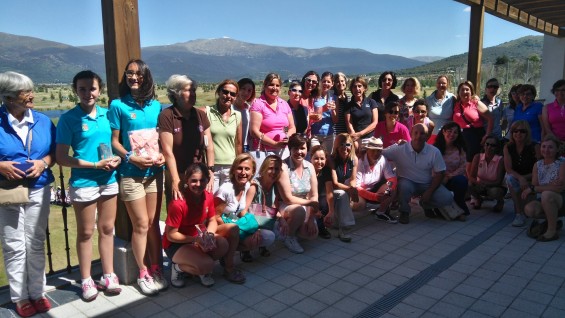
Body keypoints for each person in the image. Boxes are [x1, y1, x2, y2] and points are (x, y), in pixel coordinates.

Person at [55, 71, 122, 301]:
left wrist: (118, 159)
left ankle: (108, 275)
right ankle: (86, 279)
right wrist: (94, 165)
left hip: (108, 181)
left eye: (92, 88)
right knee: (85, 233)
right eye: (82, 89)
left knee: (106, 230)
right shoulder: (68, 119)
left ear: (99, 90)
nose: (87, 93)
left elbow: (115, 146)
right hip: (84, 183)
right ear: (76, 91)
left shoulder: (107, 115)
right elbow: (62, 157)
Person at [108, 59, 167, 294]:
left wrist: (162, 154)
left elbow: (159, 136)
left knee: (153, 225)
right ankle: (142, 271)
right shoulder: (118, 105)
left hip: (154, 172)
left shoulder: (155, 106)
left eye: (138, 74)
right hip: (131, 174)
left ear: (146, 77)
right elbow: (114, 142)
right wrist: (130, 157)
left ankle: (156, 267)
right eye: (130, 73)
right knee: (141, 224)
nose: (134, 77)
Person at [0, 71, 55, 317]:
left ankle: (37, 292)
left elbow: (55, 152)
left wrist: (43, 163)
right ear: (9, 97)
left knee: (35, 243)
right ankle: (20, 296)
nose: (32, 95)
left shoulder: (43, 121)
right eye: (26, 92)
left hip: (39, 188)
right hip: (8, 191)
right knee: (14, 245)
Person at [164, 163, 245, 288]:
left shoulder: (207, 196)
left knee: (223, 244)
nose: (198, 184)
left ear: (208, 180)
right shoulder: (178, 203)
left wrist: (209, 235)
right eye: (194, 181)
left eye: (202, 180)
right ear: (187, 181)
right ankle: (178, 268)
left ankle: (201, 266)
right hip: (177, 244)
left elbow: (212, 220)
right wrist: (195, 239)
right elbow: (171, 235)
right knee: (207, 265)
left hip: (197, 237)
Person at [383, 124, 454, 224]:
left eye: (422, 134)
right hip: (407, 183)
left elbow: (440, 173)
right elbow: (380, 153)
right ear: (411, 133)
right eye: (415, 133)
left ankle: (426, 205)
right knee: (403, 185)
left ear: (427, 136)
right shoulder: (400, 149)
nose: (418, 136)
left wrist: (429, 192)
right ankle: (404, 211)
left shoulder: (434, 151)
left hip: (426, 184)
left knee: (447, 198)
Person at [160, 74, 214, 204]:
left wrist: (210, 171)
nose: (193, 94)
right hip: (178, 173)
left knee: (200, 212)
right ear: (176, 94)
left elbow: (209, 146)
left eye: (194, 90)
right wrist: (175, 179)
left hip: (199, 175)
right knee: (178, 211)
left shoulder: (200, 115)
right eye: (188, 90)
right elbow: (168, 151)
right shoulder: (167, 116)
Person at [214, 153, 275, 263]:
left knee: (266, 236)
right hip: (220, 227)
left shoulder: (246, 186)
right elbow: (214, 217)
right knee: (235, 231)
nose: (243, 172)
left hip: (234, 224)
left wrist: (253, 229)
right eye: (239, 168)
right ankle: (228, 263)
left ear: (252, 172)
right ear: (233, 170)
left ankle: (231, 252)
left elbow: (242, 211)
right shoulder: (226, 190)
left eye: (247, 169)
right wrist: (235, 231)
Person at [280, 134, 320, 252]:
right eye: (295, 148)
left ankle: (293, 228)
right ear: (290, 149)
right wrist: (310, 203)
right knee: (299, 210)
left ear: (307, 149)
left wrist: (311, 218)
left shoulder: (310, 166)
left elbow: (314, 194)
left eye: (302, 148)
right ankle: (288, 236)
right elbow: (288, 198)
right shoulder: (283, 166)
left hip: (305, 204)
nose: (299, 152)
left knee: (311, 234)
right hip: (286, 205)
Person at [522, 135, 565, 242]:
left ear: (557, 149)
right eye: (544, 146)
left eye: (550, 147)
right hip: (545, 199)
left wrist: (538, 188)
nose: (546, 150)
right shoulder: (538, 165)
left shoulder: (562, 163)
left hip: (561, 198)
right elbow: (534, 185)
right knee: (530, 209)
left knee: (547, 194)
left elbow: (560, 188)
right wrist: (550, 186)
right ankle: (551, 222)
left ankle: (551, 231)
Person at [206, 79, 243, 192]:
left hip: (230, 166)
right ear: (219, 92)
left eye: (232, 94)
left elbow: (238, 144)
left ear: (236, 97)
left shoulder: (237, 115)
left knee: (226, 204)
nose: (228, 96)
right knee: (210, 202)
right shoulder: (207, 112)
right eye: (225, 92)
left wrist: (239, 166)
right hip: (212, 167)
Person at [452, 80, 493, 177]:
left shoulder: (476, 103)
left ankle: (470, 180)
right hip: (462, 136)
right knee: (464, 158)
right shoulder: (457, 105)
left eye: (467, 90)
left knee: (472, 158)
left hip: (475, 135)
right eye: (462, 90)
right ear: (458, 92)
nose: (465, 92)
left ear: (471, 92)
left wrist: (487, 135)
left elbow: (490, 119)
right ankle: (468, 179)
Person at [249, 73, 296, 158]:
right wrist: (275, 144)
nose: (274, 88)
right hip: (264, 152)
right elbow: (254, 132)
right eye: (271, 85)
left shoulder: (284, 104)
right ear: (265, 86)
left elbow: (292, 127)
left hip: (283, 151)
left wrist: (287, 137)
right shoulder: (258, 104)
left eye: (277, 85)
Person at [504, 120, 540, 227]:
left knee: (530, 210)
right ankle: (518, 213)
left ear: (527, 133)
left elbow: (539, 168)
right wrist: (521, 178)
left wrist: (524, 178)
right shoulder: (508, 147)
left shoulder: (535, 146)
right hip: (517, 177)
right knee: (509, 178)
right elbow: (508, 169)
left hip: (532, 177)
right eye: (515, 131)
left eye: (522, 131)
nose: (518, 133)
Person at [354, 137, 397, 223]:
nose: (376, 153)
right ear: (367, 150)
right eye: (373, 150)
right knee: (360, 204)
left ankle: (380, 212)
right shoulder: (360, 161)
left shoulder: (382, 159)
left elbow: (392, 179)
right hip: (358, 193)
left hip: (373, 190)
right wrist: (375, 197)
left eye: (379, 151)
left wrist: (387, 192)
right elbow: (356, 187)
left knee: (392, 188)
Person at [434, 122, 470, 218]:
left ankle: (458, 206)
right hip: (438, 179)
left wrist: (449, 177)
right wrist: (442, 177)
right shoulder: (435, 149)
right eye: (449, 131)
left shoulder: (460, 149)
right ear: (443, 132)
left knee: (461, 180)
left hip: (453, 178)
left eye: (455, 132)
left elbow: (463, 167)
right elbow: (431, 166)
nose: (452, 134)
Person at [330, 133, 358, 241]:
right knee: (342, 194)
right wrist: (350, 189)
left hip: (342, 188)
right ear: (336, 146)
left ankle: (338, 222)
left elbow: (353, 179)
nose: (345, 148)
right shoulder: (331, 160)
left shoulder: (353, 159)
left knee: (349, 194)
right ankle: (345, 228)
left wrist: (353, 188)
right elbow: (335, 183)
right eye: (341, 144)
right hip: (328, 189)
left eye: (347, 144)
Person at [468, 135, 506, 212]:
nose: (489, 147)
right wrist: (478, 183)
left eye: (493, 145)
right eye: (487, 144)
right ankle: (478, 199)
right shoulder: (477, 157)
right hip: (480, 184)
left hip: (495, 186)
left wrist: (485, 184)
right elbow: (471, 177)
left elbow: (498, 181)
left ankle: (500, 201)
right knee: (468, 184)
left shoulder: (501, 160)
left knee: (495, 192)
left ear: (497, 148)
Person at [345, 76, 379, 150]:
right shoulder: (348, 105)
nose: (357, 89)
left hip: (371, 138)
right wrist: (355, 138)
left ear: (364, 88)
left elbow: (375, 123)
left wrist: (360, 134)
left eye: (359, 86)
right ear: (351, 89)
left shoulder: (371, 102)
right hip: (357, 140)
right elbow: (349, 124)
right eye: (354, 87)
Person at [310, 145, 334, 239]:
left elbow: (329, 192)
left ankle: (322, 226)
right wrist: (315, 209)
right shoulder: (306, 169)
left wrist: (331, 211)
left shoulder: (326, 170)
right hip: (307, 199)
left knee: (326, 200)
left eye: (322, 159)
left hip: (319, 198)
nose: (319, 162)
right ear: (310, 157)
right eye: (316, 158)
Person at [310, 71, 337, 153]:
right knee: (314, 158)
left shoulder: (334, 98)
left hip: (329, 135)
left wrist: (333, 110)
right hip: (315, 134)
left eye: (328, 82)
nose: (326, 83)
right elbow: (311, 114)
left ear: (332, 84)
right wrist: (324, 108)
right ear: (320, 82)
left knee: (327, 160)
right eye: (324, 81)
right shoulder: (314, 97)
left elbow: (335, 120)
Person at [425, 75, 455, 144]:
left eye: (443, 83)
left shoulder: (452, 98)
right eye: (439, 83)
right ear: (436, 84)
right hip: (431, 135)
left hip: (447, 136)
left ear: (448, 84)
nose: (441, 85)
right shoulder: (428, 100)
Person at [234, 78, 255, 152]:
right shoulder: (230, 108)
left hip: (247, 146)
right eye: (243, 89)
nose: (246, 93)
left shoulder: (249, 109)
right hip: (233, 146)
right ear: (237, 89)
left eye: (249, 90)